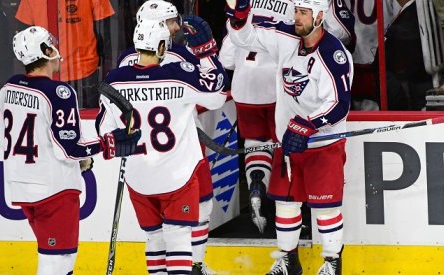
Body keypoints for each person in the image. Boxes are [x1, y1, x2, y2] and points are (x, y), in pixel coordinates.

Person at [0, 26, 141, 275]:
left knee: (53, 256)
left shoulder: (9, 88)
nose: (56, 49)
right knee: (58, 260)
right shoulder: (58, 93)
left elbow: (24, 133)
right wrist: (109, 142)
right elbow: (70, 150)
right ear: (45, 51)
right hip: (53, 189)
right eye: (50, 44)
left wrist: (79, 160)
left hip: (20, 184)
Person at [225, 0, 353, 274]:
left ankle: (331, 263)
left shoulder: (333, 54)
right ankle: (288, 260)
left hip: (323, 145)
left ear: (319, 16)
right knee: (285, 203)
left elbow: (339, 104)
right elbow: (246, 38)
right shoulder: (285, 37)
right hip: (290, 145)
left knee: (325, 208)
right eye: (296, 11)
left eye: (303, 13)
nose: (297, 17)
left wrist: (307, 126)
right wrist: (239, 19)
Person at [96, 17, 228, 275]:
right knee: (178, 238)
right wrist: (207, 52)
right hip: (176, 178)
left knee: (155, 240)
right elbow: (216, 96)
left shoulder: (114, 80)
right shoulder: (178, 76)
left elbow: (104, 130)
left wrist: (115, 138)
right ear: (160, 47)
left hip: (139, 179)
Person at [15, 0, 115, 108]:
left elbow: (24, 40)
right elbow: (104, 34)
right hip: (81, 73)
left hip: (72, 72)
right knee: (85, 122)